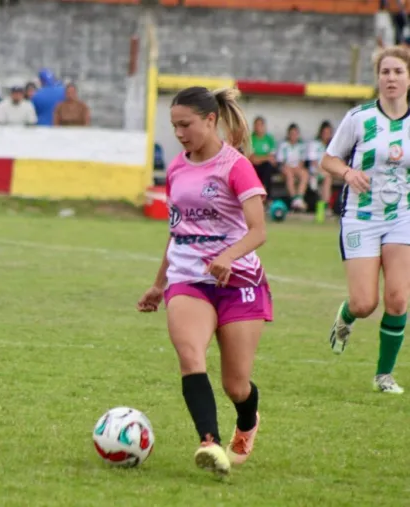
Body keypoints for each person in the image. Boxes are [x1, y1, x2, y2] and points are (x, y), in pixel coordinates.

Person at [137, 86, 271, 476]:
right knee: (190, 356)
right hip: (188, 278)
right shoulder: (177, 167)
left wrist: (227, 256)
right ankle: (209, 443)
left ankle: (247, 423)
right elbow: (176, 231)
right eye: (174, 126)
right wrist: (160, 284)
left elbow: (258, 230)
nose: (179, 134)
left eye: (186, 125)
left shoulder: (236, 165)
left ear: (210, 120)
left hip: (240, 279)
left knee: (236, 385)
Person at [322, 45, 410, 394]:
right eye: (385, 72)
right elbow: (327, 160)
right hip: (361, 217)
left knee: (399, 299)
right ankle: (345, 317)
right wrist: (347, 172)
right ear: (378, 77)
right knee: (364, 303)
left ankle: (383, 375)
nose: (391, 78)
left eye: (398, 72)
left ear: (408, 78)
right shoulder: (358, 118)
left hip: (402, 217)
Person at [276, 123, 309, 211]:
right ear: (288, 134)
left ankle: (299, 198)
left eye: (295, 134)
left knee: (305, 174)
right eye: (292, 134)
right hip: (286, 168)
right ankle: (294, 199)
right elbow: (281, 162)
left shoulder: (301, 145)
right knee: (289, 174)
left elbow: (302, 161)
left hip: (297, 168)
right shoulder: (284, 145)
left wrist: (297, 168)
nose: (293, 136)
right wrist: (289, 168)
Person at [307, 120, 335, 222]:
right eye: (325, 133)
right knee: (327, 177)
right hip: (315, 172)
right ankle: (325, 206)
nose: (326, 135)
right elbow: (313, 163)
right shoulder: (314, 144)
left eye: (329, 133)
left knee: (328, 177)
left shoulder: (332, 146)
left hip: (327, 172)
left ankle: (325, 206)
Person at [249, 116, 277, 200]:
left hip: (266, 166)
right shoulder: (250, 138)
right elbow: (252, 159)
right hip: (254, 165)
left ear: (264, 126)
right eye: (256, 125)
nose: (258, 127)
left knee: (268, 167)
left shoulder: (269, 139)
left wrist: (260, 158)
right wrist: (266, 157)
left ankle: (266, 197)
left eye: (260, 125)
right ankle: (261, 195)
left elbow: (272, 159)